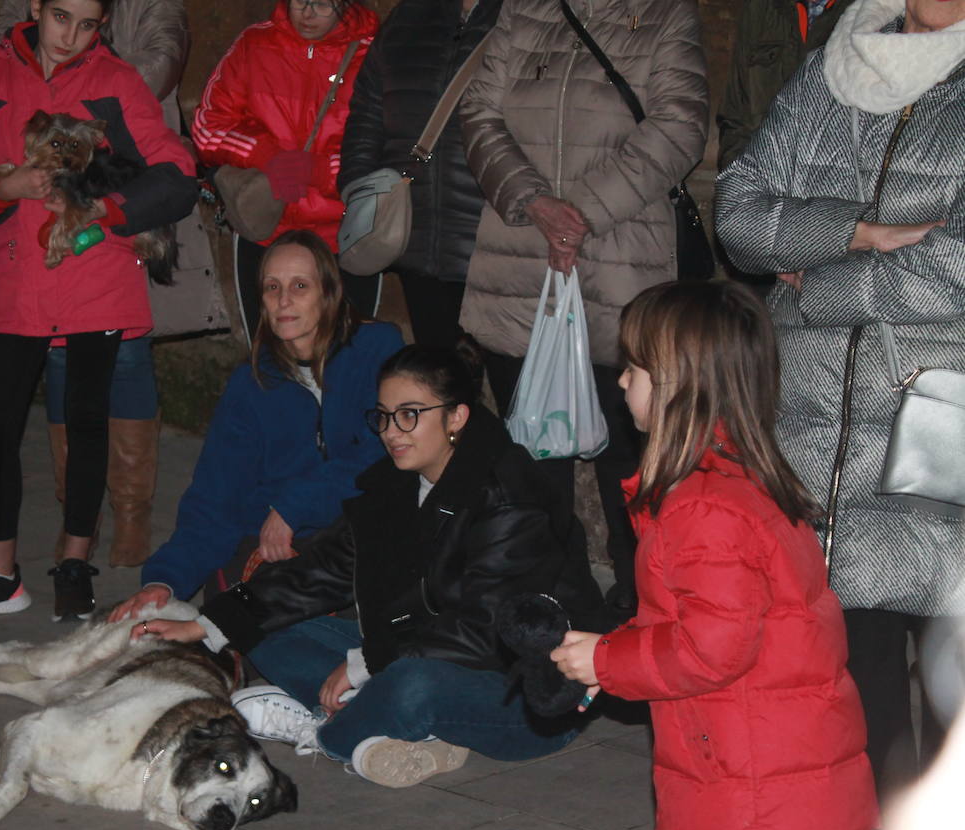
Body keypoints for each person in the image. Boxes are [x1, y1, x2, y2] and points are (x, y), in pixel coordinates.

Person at [120, 340, 606, 788]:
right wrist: (208, 625)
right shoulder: (397, 479)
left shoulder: (511, 496)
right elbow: (324, 569)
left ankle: (326, 733)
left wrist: (366, 664)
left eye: (410, 415)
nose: (392, 433)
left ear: (456, 416)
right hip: (417, 647)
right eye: (385, 417)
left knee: (413, 684)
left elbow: (486, 632)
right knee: (261, 625)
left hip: (527, 693)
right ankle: (384, 727)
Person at [551, 281, 878, 830]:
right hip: (755, 755)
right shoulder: (727, 481)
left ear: (678, 381)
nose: (621, 383)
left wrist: (608, 661)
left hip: (751, 769)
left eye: (634, 368)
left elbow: (713, 648)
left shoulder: (704, 506)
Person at [715, 0, 965, 803]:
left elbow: (956, 267)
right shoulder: (834, 69)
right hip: (816, 423)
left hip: (938, 414)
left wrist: (818, 280)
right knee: (857, 667)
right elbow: (740, 216)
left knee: (947, 665)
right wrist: (863, 232)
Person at [0, 0, 197, 622]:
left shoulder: (115, 82)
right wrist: (6, 189)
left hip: (95, 276)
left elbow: (177, 172)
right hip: (16, 281)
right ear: (34, 8)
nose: (71, 37)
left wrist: (107, 211)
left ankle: (75, 562)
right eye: (60, 18)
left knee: (85, 424)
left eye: (88, 24)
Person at [458, 0, 709, 615]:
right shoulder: (524, 13)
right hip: (521, 270)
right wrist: (535, 202)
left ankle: (638, 614)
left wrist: (583, 214)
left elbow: (680, 125)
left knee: (630, 469)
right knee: (533, 465)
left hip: (621, 279)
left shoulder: (665, 15)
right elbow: (478, 114)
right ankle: (553, 615)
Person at [0, 0, 223, 571]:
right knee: (65, 361)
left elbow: (159, 65)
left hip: (128, 192)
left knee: (127, 354)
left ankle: (132, 512)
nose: (71, 31)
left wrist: (80, 95)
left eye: (86, 22)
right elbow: (6, 58)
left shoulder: (149, 11)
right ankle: (81, 516)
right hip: (56, 195)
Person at [111, 230, 403, 613]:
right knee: (228, 618)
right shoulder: (252, 384)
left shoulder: (377, 348)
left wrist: (294, 507)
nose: (284, 300)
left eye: (300, 285)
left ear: (328, 293)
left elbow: (383, 451)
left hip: (360, 536)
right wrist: (165, 580)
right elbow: (215, 498)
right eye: (272, 287)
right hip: (276, 548)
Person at [193, 0, 380, 344]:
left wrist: (324, 170)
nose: (307, 14)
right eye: (299, 1)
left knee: (349, 360)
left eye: (322, 4)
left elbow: (392, 147)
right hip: (265, 229)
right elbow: (207, 126)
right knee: (268, 361)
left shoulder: (375, 53)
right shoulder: (254, 45)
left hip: (344, 236)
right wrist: (265, 155)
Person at [338, 0, 502, 349]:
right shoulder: (409, 16)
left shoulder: (530, 14)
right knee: (436, 381)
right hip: (415, 239)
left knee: (512, 389)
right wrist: (359, 191)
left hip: (494, 245)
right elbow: (367, 108)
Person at [716, 0, 857, 171]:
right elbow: (736, 115)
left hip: (833, 185)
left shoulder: (868, 13)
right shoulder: (762, 7)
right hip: (762, 181)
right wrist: (737, 185)